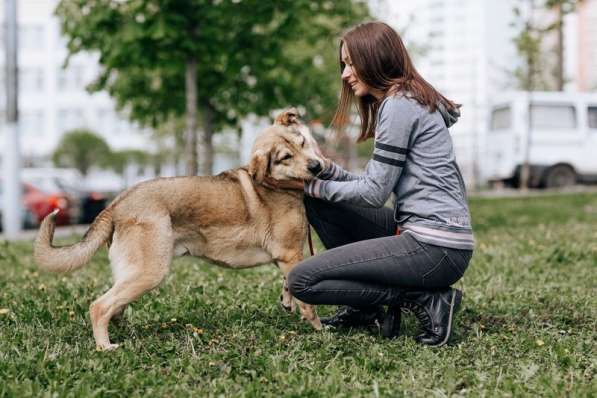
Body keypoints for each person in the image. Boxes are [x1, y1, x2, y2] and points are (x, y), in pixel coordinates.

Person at [287, 21, 474, 347]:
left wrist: (311, 186)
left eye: (351, 63)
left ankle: (424, 299)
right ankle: (364, 309)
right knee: (321, 200)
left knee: (302, 280)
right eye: (343, 64)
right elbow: (374, 182)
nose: (345, 74)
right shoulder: (409, 99)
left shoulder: (399, 105)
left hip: (435, 248)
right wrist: (328, 174)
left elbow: (373, 195)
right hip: (426, 235)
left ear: (376, 58)